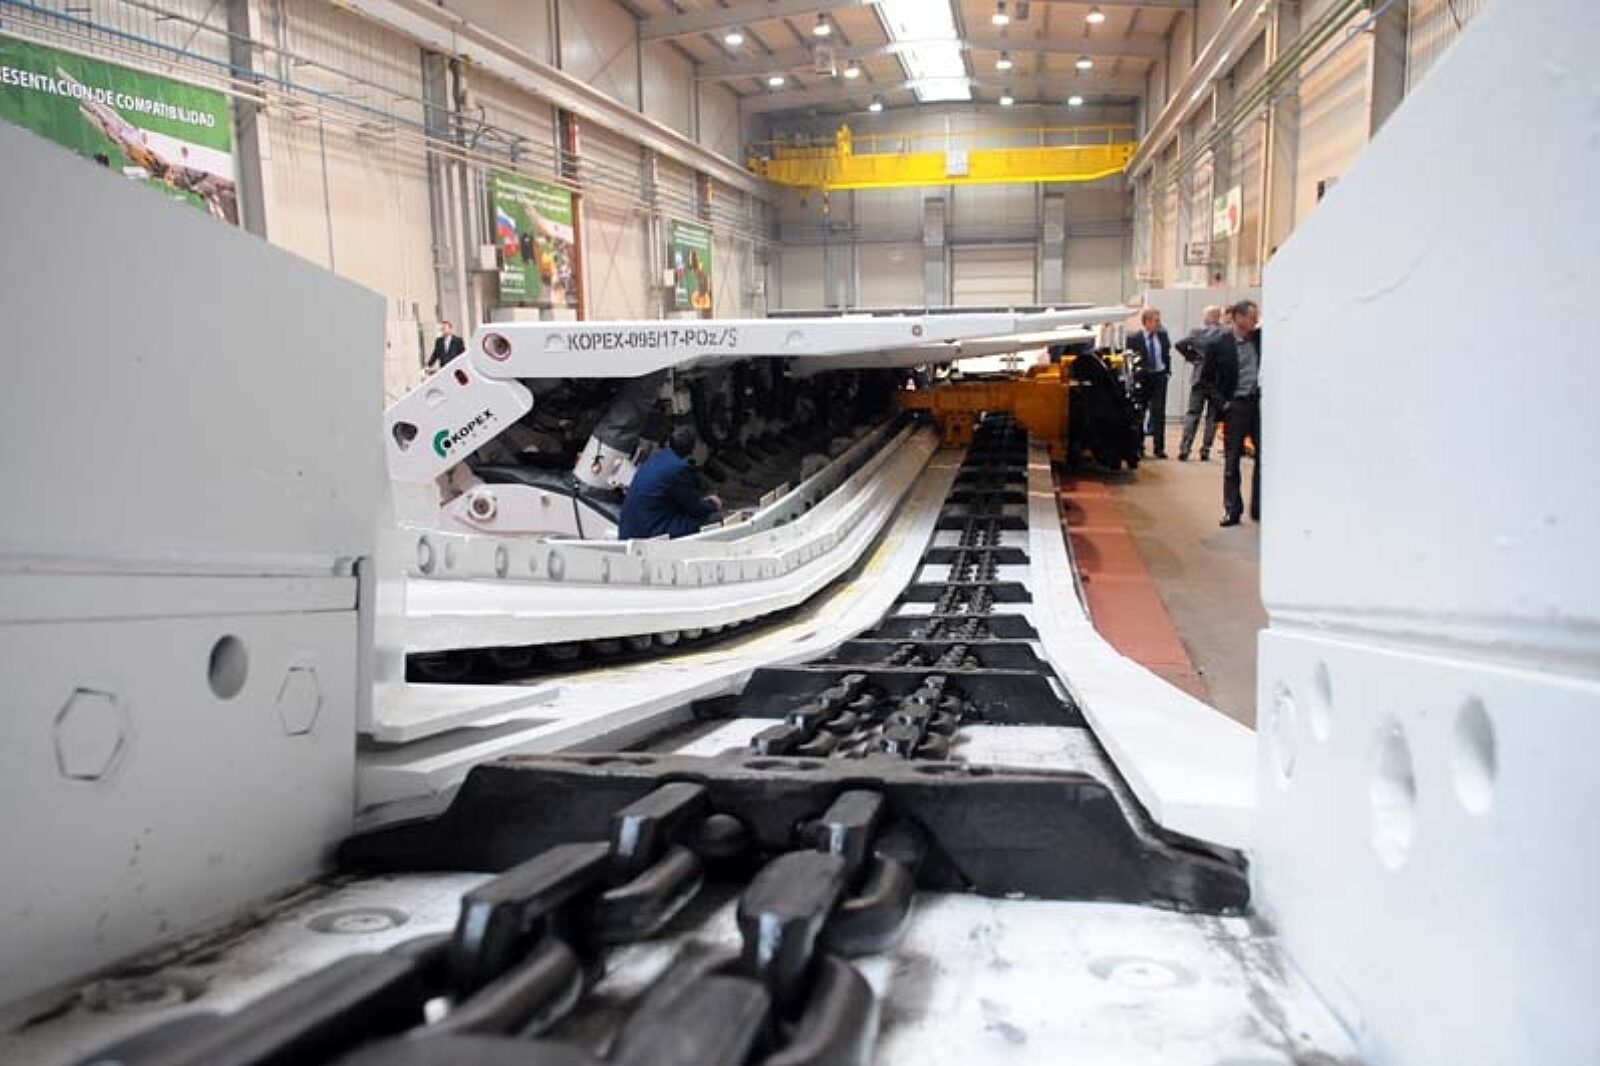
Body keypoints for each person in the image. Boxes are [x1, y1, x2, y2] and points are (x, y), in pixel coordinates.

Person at [1200, 300, 1263, 527]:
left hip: (1257, 404)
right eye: (1252, 317)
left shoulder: (1259, 340)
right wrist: (1223, 404)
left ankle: (1259, 507)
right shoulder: (1219, 344)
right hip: (1235, 406)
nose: (1255, 321)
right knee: (1232, 459)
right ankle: (1232, 509)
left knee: (1263, 457)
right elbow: (1205, 381)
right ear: (1238, 318)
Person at [618, 427, 723, 540]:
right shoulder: (679, 469)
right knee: (714, 519)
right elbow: (694, 508)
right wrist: (713, 503)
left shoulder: (658, 458)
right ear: (692, 449)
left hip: (630, 528)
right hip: (649, 532)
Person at [1175, 305, 1227, 461]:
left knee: (1193, 414)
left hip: (1199, 377)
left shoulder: (1196, 333)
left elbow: (1179, 344)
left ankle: (1185, 448)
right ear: (1218, 317)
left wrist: (1193, 358)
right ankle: (1205, 450)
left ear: (1207, 317)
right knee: (1212, 417)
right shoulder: (1225, 334)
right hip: (1217, 380)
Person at [1124, 308, 1172, 458]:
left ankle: (1159, 448)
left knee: (1159, 413)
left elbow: (1166, 354)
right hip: (1143, 379)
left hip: (1159, 377)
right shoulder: (1134, 338)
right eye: (1156, 321)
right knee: (1140, 412)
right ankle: (1139, 446)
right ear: (1146, 322)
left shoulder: (1163, 336)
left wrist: (1167, 371)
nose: (1159, 324)